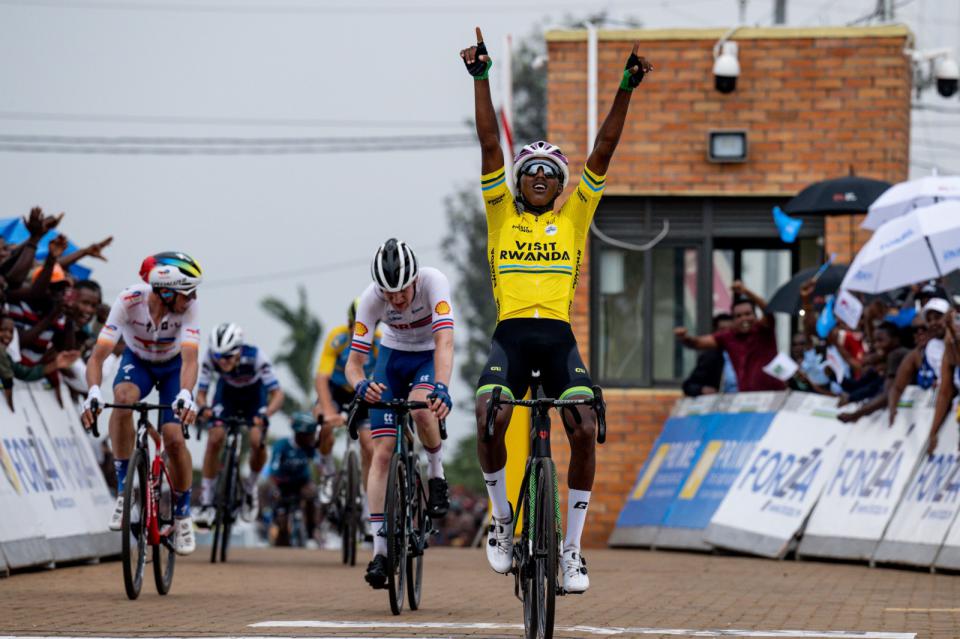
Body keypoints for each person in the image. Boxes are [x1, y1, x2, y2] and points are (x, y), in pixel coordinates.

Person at [464, 27, 651, 594]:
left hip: (558, 341)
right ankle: (502, 522)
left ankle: (571, 550)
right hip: (511, 339)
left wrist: (625, 88)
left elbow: (603, 152)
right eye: (532, 172)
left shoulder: (573, 218)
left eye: (550, 173)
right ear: (519, 184)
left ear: (561, 184)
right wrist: (481, 79)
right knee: (490, 414)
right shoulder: (502, 215)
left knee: (585, 425)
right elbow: (490, 147)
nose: (541, 178)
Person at [347, 238, 453, 589]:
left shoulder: (434, 282)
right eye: (388, 293)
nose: (396, 299)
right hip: (392, 359)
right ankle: (380, 552)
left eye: (403, 291)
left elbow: (445, 342)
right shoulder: (370, 299)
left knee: (423, 411)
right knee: (381, 453)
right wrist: (361, 385)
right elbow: (354, 364)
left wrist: (441, 387)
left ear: (415, 279)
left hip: (427, 357)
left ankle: (436, 474)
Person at [81, 251, 203, 555]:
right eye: (188, 292)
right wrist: (93, 391)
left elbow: (190, 359)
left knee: (174, 438)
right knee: (122, 400)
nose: (193, 297)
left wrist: (186, 394)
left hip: (174, 367)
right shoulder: (128, 301)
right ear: (166, 292)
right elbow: (97, 356)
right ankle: (125, 492)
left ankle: (183, 514)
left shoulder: (189, 309)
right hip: (139, 362)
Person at [193, 322, 284, 527]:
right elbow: (201, 393)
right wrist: (204, 407)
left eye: (227, 356)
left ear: (239, 351)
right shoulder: (211, 357)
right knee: (215, 438)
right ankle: (207, 501)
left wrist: (266, 414)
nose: (222, 361)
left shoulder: (256, 357)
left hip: (254, 397)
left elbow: (278, 394)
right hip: (227, 396)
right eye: (218, 356)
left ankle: (250, 488)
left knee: (257, 440)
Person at [314, 299, 381, 491]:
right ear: (349, 323)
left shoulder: (379, 341)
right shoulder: (337, 338)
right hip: (335, 390)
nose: (361, 332)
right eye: (356, 326)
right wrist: (328, 412)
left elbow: (382, 376)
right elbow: (321, 378)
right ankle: (328, 472)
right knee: (324, 423)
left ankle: (368, 499)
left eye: (369, 326)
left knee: (369, 446)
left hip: (360, 392)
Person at [675, 282, 785, 393]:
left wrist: (746, 291)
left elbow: (767, 310)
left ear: (755, 316)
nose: (744, 319)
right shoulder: (728, 336)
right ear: (733, 320)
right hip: (746, 397)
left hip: (774, 394)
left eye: (748, 314)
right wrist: (685, 338)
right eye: (738, 316)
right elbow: (698, 343)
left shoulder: (764, 329)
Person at [887, 298, 948, 426]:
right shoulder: (925, 351)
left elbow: (948, 386)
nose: (920, 333)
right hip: (932, 414)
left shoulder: (951, 342)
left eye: (923, 328)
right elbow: (897, 387)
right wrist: (892, 409)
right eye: (915, 330)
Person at [681, 313, 737, 397]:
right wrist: (702, 389)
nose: (726, 335)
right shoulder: (710, 357)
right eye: (722, 330)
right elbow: (689, 386)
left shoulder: (747, 352)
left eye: (730, 331)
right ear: (715, 333)